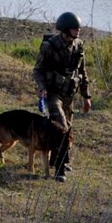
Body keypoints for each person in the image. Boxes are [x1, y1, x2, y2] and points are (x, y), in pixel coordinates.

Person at [33, 11, 92, 182]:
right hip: (53, 93)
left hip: (69, 94)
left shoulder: (79, 45)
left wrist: (86, 96)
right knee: (61, 127)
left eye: (78, 28)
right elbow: (37, 70)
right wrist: (42, 88)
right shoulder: (49, 46)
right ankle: (60, 169)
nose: (78, 31)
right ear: (66, 29)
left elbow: (82, 72)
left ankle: (59, 160)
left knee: (68, 129)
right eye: (75, 29)